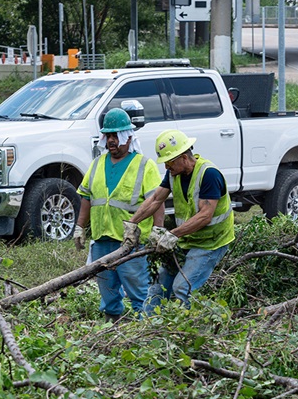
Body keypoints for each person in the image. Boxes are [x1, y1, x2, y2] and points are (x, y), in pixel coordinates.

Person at [123, 129, 235, 313]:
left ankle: (187, 330)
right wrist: (132, 222)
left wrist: (172, 235)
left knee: (183, 287)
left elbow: (205, 216)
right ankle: (147, 328)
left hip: (211, 242)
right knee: (159, 287)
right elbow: (156, 199)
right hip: (187, 239)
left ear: (183, 157)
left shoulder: (209, 175)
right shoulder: (174, 174)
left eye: (169, 162)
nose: (166, 167)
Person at [73, 108, 163, 322]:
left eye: (116, 136)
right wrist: (79, 227)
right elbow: (86, 198)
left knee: (137, 288)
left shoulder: (143, 165)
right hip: (102, 239)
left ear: (128, 136)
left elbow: (157, 201)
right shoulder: (96, 165)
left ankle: (145, 327)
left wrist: (158, 230)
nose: (112, 141)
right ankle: (113, 324)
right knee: (107, 288)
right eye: (108, 136)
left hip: (131, 241)